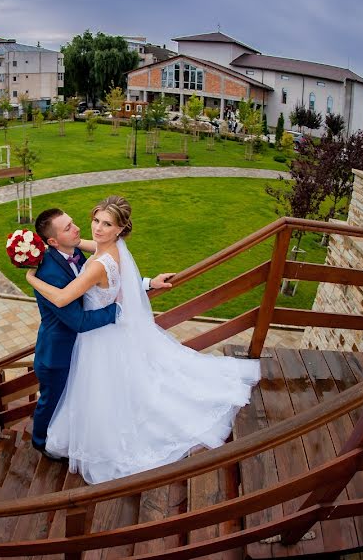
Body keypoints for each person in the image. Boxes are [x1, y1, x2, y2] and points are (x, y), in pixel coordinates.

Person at [26, 196, 260, 484]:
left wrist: (32, 280)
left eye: (106, 224)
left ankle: (106, 434)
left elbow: (74, 293)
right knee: (101, 388)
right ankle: (53, 439)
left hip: (99, 336)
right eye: (95, 221)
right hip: (87, 337)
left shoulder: (98, 260)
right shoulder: (105, 249)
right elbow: (107, 277)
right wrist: (145, 286)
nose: (94, 229)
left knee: (102, 389)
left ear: (119, 229)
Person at [29, 208, 174, 462]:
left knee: (84, 396)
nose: (78, 228)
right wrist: (119, 310)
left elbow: (113, 273)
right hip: (57, 351)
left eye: (73, 222)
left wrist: (147, 283)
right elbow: (80, 321)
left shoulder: (75, 249)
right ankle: (41, 444)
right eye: (68, 228)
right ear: (53, 241)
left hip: (85, 346)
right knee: (51, 400)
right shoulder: (48, 273)